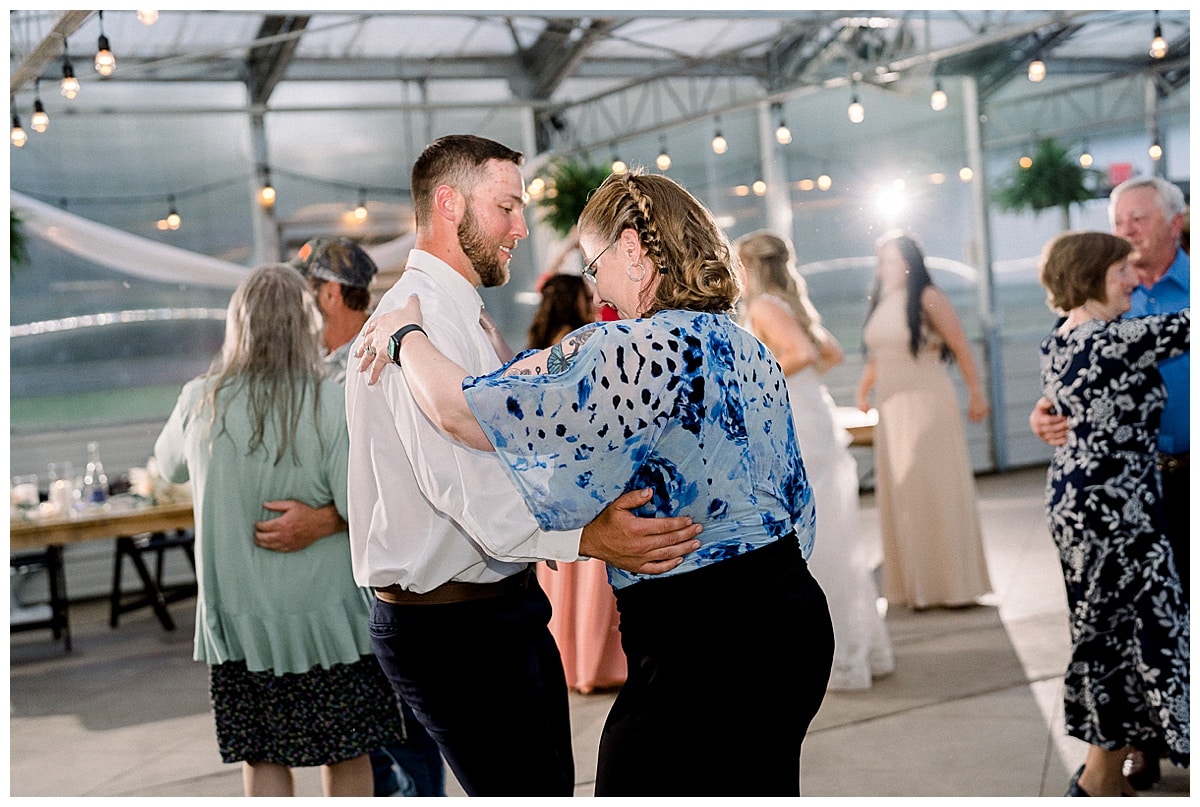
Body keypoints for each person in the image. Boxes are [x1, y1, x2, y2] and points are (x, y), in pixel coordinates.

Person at [357, 168, 834, 796]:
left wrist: (404, 337)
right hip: (792, 619)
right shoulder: (744, 346)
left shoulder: (623, 350)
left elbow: (458, 411)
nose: (595, 281)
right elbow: (798, 506)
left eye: (594, 262)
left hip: (699, 643)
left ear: (633, 253)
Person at [342, 136, 704, 797]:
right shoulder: (415, 321)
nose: (520, 226)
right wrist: (589, 535)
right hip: (450, 626)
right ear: (448, 204)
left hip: (497, 607)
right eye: (507, 206)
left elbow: (526, 436)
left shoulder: (459, 314)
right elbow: (467, 490)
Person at [153, 264, 403, 797]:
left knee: (263, 757)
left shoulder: (201, 399)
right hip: (329, 622)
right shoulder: (331, 400)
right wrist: (327, 520)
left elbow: (165, 467)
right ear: (304, 322)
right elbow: (366, 504)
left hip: (241, 625)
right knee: (348, 754)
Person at [242, 236, 445, 798]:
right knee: (374, 751)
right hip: (350, 602)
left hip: (394, 594)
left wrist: (324, 520)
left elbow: (405, 481)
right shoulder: (326, 369)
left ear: (329, 293)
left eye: (305, 290)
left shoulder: (381, 363)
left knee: (406, 744)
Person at [1027, 177, 1191, 791]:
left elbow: (1069, 397)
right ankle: (1100, 775)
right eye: (1121, 268)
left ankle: (1108, 770)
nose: (1132, 277)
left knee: (1108, 627)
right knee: (1131, 630)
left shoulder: (1062, 338)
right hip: (1117, 510)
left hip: (1084, 502)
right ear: (1096, 275)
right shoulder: (1118, 339)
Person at [736, 229, 894, 691]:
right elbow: (829, 352)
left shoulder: (764, 307)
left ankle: (832, 652)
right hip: (811, 413)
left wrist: (751, 379)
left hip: (800, 426)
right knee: (832, 536)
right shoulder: (789, 304)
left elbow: (804, 353)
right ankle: (854, 647)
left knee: (814, 539)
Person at [855, 230, 993, 610]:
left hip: (927, 402)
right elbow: (877, 356)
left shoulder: (929, 297)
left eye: (894, 259)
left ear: (910, 262)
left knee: (930, 489)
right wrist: (863, 391)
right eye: (882, 260)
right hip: (892, 406)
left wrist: (977, 393)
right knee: (902, 493)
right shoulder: (883, 300)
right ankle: (914, 585)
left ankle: (949, 585)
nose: (887, 267)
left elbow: (960, 344)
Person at [526, 274, 625, 694]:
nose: (593, 303)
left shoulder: (537, 348)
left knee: (565, 570)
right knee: (594, 572)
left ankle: (573, 662)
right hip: (589, 468)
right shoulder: (583, 344)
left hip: (554, 472)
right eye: (587, 296)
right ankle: (596, 664)